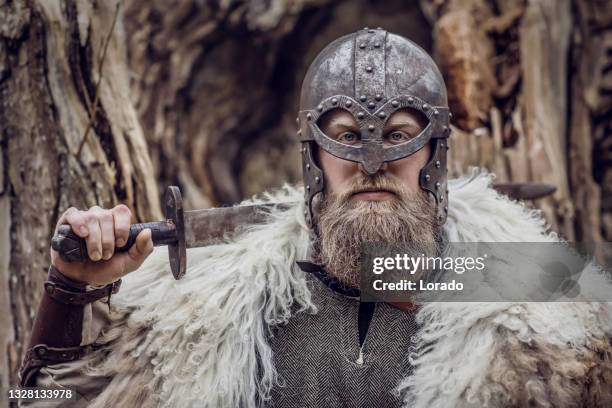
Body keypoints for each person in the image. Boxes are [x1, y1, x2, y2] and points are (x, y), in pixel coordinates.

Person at [19, 29, 612, 408]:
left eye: (401, 136)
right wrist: (67, 289)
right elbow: (34, 405)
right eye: (349, 137)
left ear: (436, 152)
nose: (374, 162)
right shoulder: (206, 316)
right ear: (314, 157)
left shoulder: (531, 294)